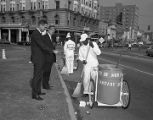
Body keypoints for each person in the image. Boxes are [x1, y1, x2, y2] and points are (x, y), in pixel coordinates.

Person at [30, 19, 55, 100]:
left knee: (40, 76)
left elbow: (43, 44)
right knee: (37, 77)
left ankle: (38, 91)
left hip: (41, 59)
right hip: (38, 59)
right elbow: (42, 45)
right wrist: (52, 50)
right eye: (45, 27)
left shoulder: (39, 33)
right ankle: (35, 94)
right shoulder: (36, 33)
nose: (45, 29)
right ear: (40, 25)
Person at [41, 24, 56, 90]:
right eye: (52, 29)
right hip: (46, 58)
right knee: (46, 72)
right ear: (49, 30)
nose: (53, 31)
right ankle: (45, 85)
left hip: (50, 58)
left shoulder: (51, 37)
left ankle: (46, 84)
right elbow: (44, 48)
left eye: (54, 30)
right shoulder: (45, 37)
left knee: (48, 72)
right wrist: (53, 50)